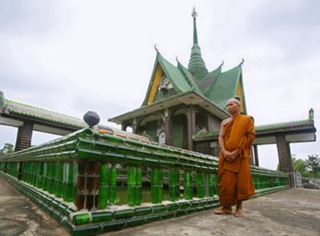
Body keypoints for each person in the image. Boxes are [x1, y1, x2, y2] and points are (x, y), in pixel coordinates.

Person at [214, 98, 256, 217]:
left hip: (240, 156)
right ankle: (226, 207)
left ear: (238, 106)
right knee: (225, 182)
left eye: (231, 104)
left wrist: (237, 152)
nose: (228, 107)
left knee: (240, 181)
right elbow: (221, 138)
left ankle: (239, 208)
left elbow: (250, 136)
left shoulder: (247, 119)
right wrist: (225, 151)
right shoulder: (225, 122)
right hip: (226, 156)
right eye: (227, 105)